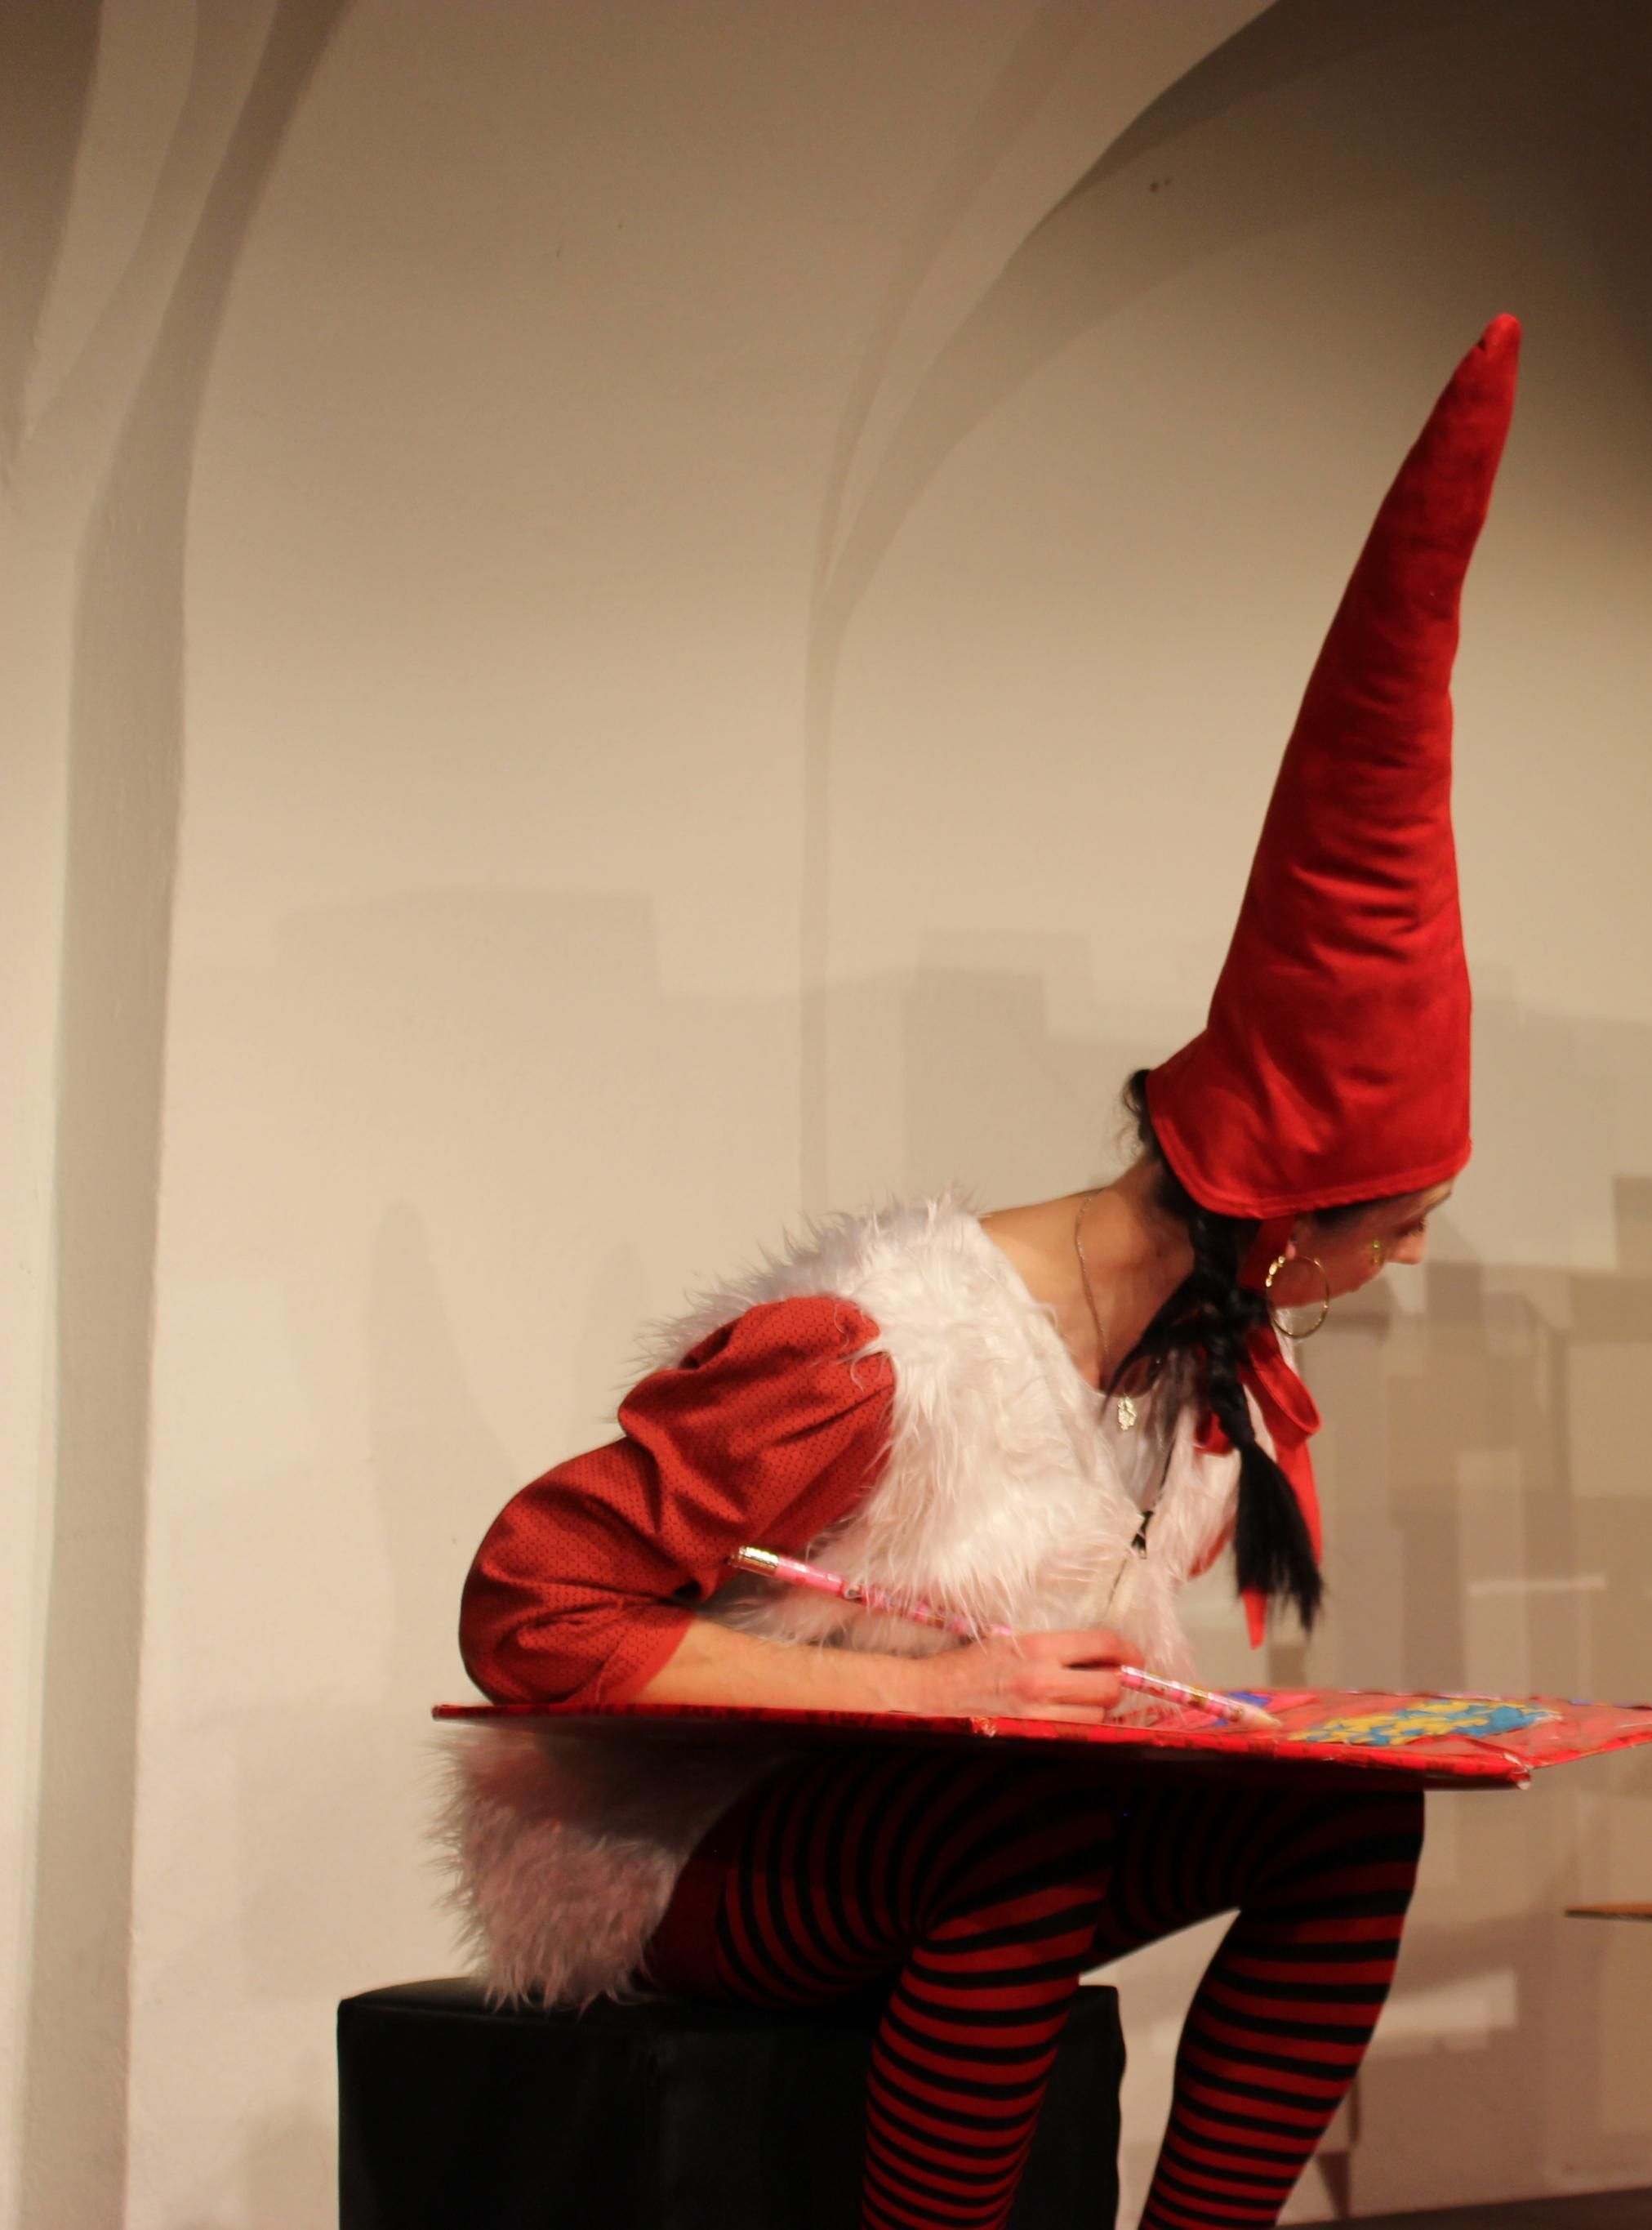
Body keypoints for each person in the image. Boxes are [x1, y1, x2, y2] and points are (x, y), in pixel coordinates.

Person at [443, 316, 1521, 2230]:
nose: (1412, 1255)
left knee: (1349, 1828)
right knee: (1012, 1827)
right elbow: (528, 1606)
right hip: (697, 1852)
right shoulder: (881, 1352)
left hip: (965, 1829)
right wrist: (952, 1692)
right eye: (1394, 1217)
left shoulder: (1196, 1384)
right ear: (1285, 1216)